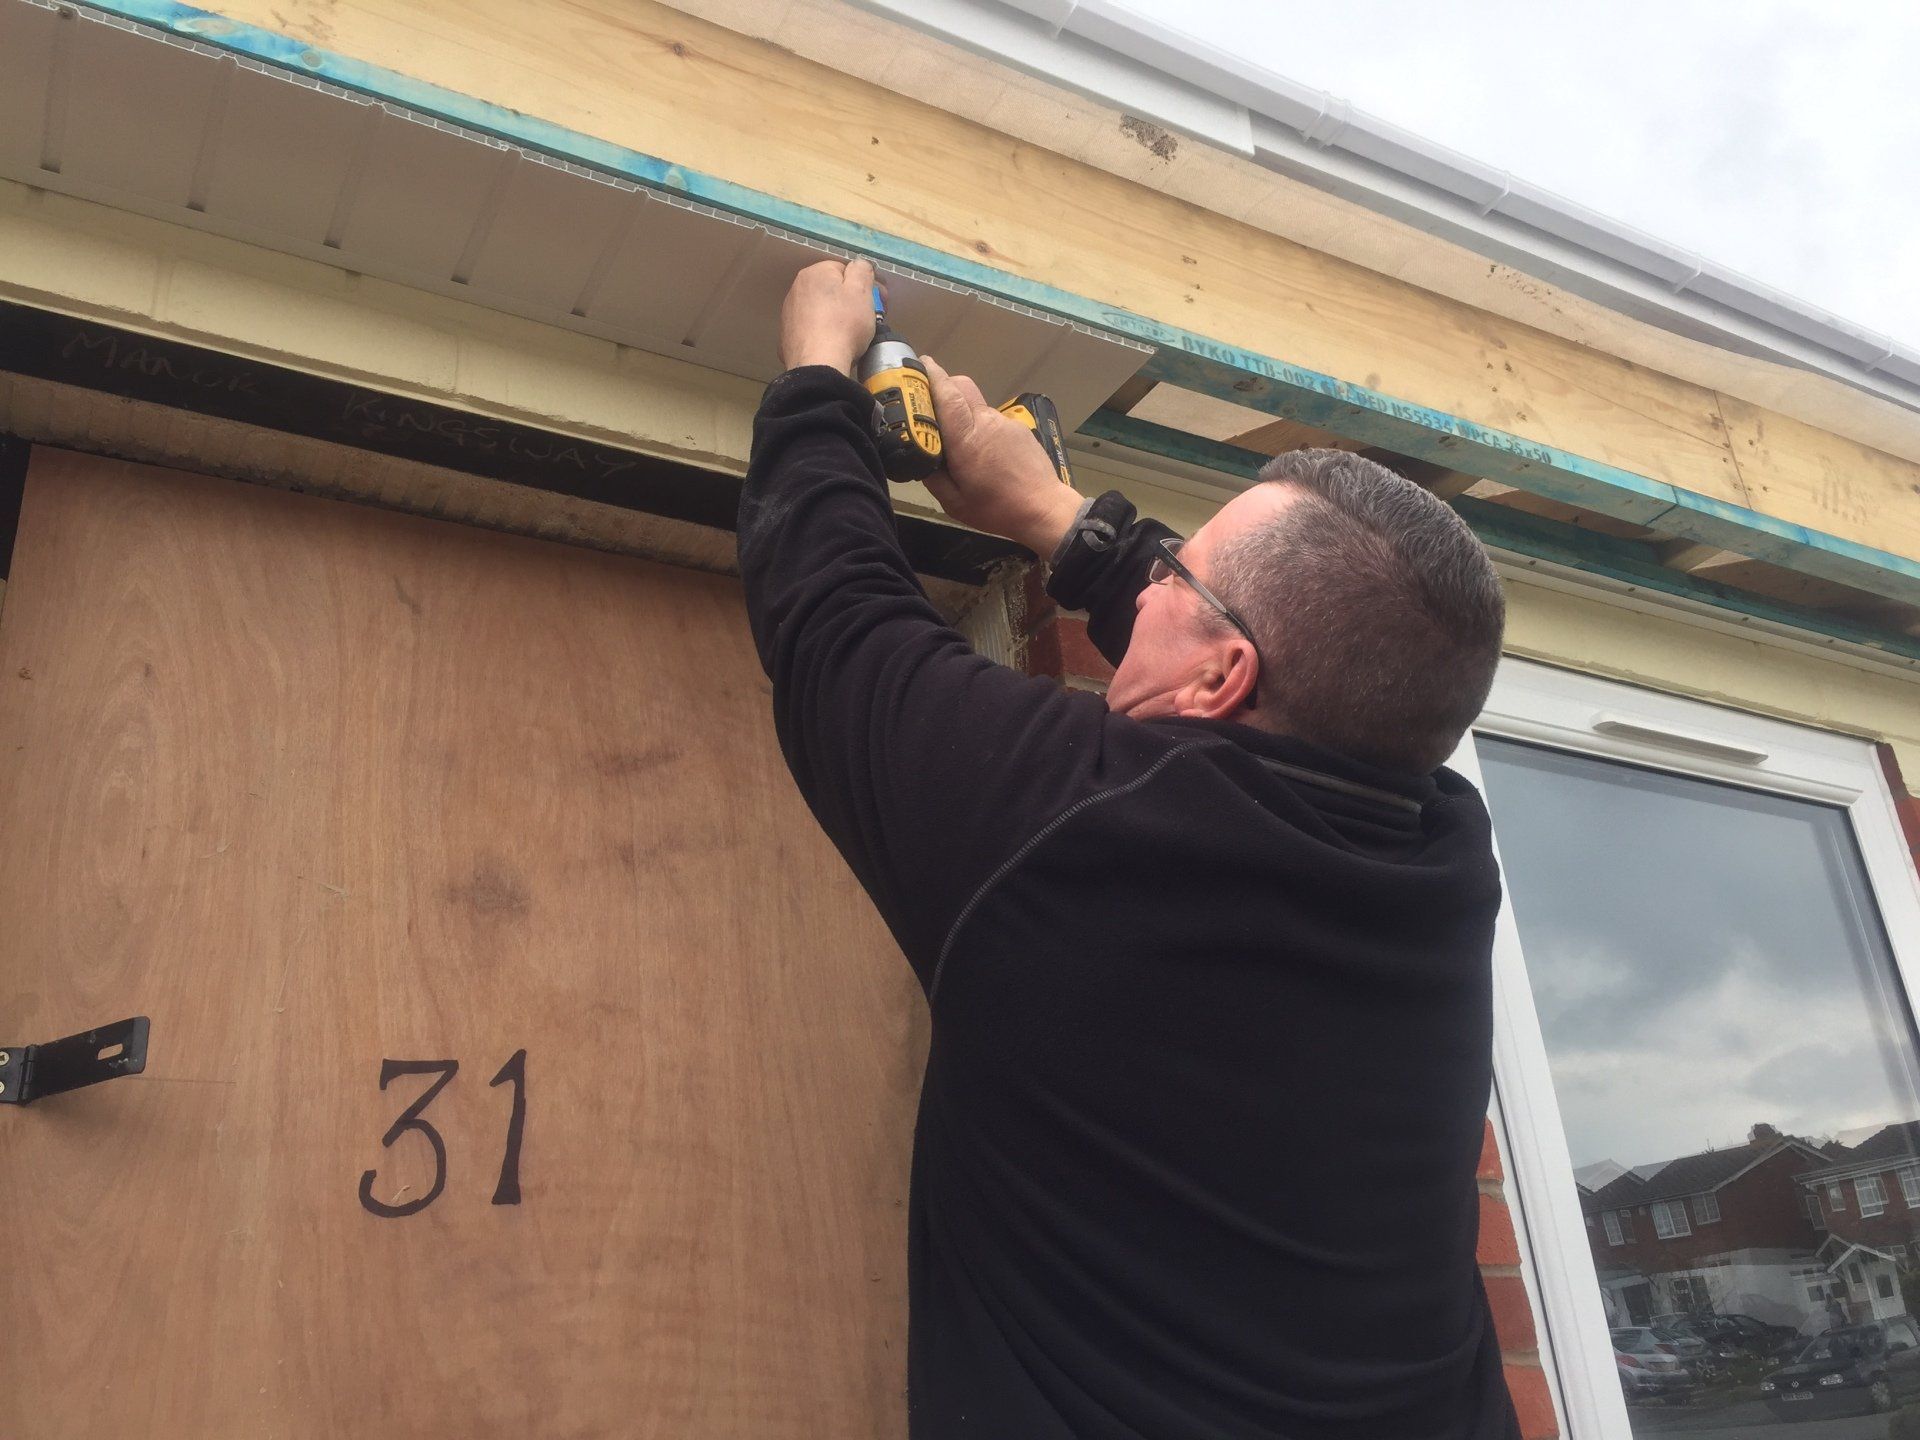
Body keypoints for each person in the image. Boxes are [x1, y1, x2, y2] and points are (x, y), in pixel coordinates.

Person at [738, 256, 1519, 1439]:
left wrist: (814, 372)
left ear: (1220, 675)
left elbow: (836, 623)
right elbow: (1274, 664)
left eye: (1176, 574)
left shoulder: (1072, 837)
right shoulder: (1441, 863)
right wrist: (1053, 514)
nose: (1148, 587)